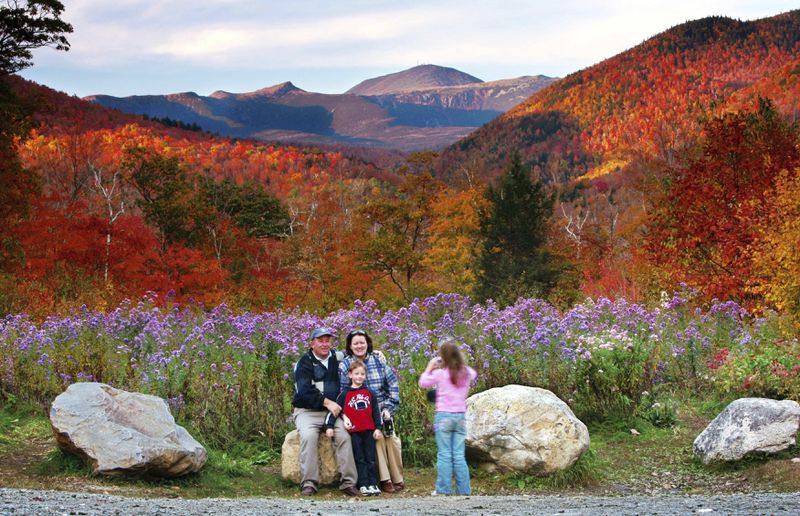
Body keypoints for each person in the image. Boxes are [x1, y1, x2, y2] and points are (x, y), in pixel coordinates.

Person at [292, 327, 359, 497]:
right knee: (308, 436)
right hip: (308, 411)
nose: (324, 344)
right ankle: (309, 483)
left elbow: (357, 358)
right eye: (320, 340)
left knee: (344, 435)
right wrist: (328, 403)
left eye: (327, 340)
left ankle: (348, 483)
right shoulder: (304, 362)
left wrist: (376, 353)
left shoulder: (338, 357)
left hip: (333, 412)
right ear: (312, 343)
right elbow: (304, 391)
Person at [339, 329, 405, 493]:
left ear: (368, 343)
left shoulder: (379, 360)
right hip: (360, 414)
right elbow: (344, 394)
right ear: (350, 346)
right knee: (378, 439)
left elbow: (393, 387)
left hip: (382, 409)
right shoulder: (345, 364)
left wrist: (388, 409)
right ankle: (385, 479)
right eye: (355, 343)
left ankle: (398, 478)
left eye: (362, 342)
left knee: (391, 438)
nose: (360, 346)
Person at [418, 340, 477, 496]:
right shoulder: (466, 372)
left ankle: (443, 490)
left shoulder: (440, 374)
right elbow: (473, 373)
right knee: (458, 454)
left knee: (444, 454)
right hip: (460, 417)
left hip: (443, 416)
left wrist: (431, 366)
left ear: (442, 358)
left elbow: (423, 383)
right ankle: (464, 490)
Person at [325, 359, 384, 496]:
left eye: (362, 374)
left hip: (369, 431)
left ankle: (373, 484)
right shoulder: (344, 394)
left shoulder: (370, 393)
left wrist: (378, 428)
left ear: (366, 375)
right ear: (350, 375)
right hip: (355, 432)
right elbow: (335, 411)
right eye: (356, 373)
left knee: (370, 458)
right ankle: (363, 484)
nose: (359, 376)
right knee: (360, 458)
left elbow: (376, 412)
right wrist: (329, 426)